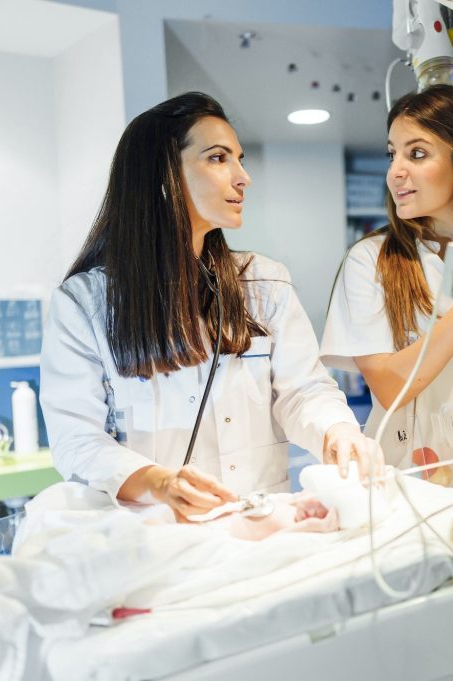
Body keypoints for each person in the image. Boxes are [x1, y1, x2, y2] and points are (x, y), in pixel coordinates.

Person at [40, 92, 382, 522]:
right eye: (219, 158)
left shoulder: (264, 283)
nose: (243, 177)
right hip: (157, 537)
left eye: (239, 159)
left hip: (259, 526)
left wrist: (339, 430)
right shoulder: (85, 305)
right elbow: (76, 438)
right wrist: (159, 483)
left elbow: (304, 391)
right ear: (162, 176)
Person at [321, 84, 453, 488]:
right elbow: (390, 383)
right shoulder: (372, 260)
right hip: (404, 486)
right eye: (392, 154)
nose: (396, 171)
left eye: (416, 153)